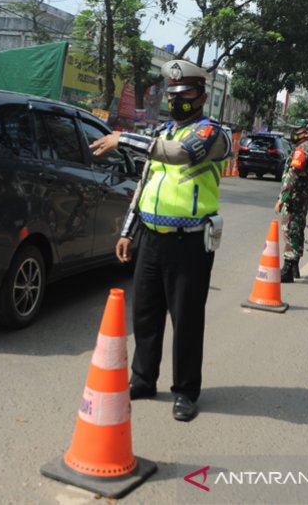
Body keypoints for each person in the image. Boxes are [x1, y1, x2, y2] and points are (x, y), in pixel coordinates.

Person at [89, 59, 231, 422]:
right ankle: (143, 379)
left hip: (190, 243)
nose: (177, 99)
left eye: (184, 93)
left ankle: (185, 391)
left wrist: (123, 138)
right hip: (151, 238)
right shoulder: (163, 133)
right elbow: (145, 185)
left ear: (200, 97)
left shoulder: (212, 134)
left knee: (186, 319)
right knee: (146, 315)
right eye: (172, 94)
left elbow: (180, 156)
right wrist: (127, 231)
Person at [275, 120, 308, 283]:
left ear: (306, 133)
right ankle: (294, 267)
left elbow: (292, 176)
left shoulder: (302, 150)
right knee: (297, 229)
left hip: (295, 198)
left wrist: (282, 198)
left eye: (297, 130)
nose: (294, 133)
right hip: (303, 197)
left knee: (290, 230)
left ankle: (287, 269)